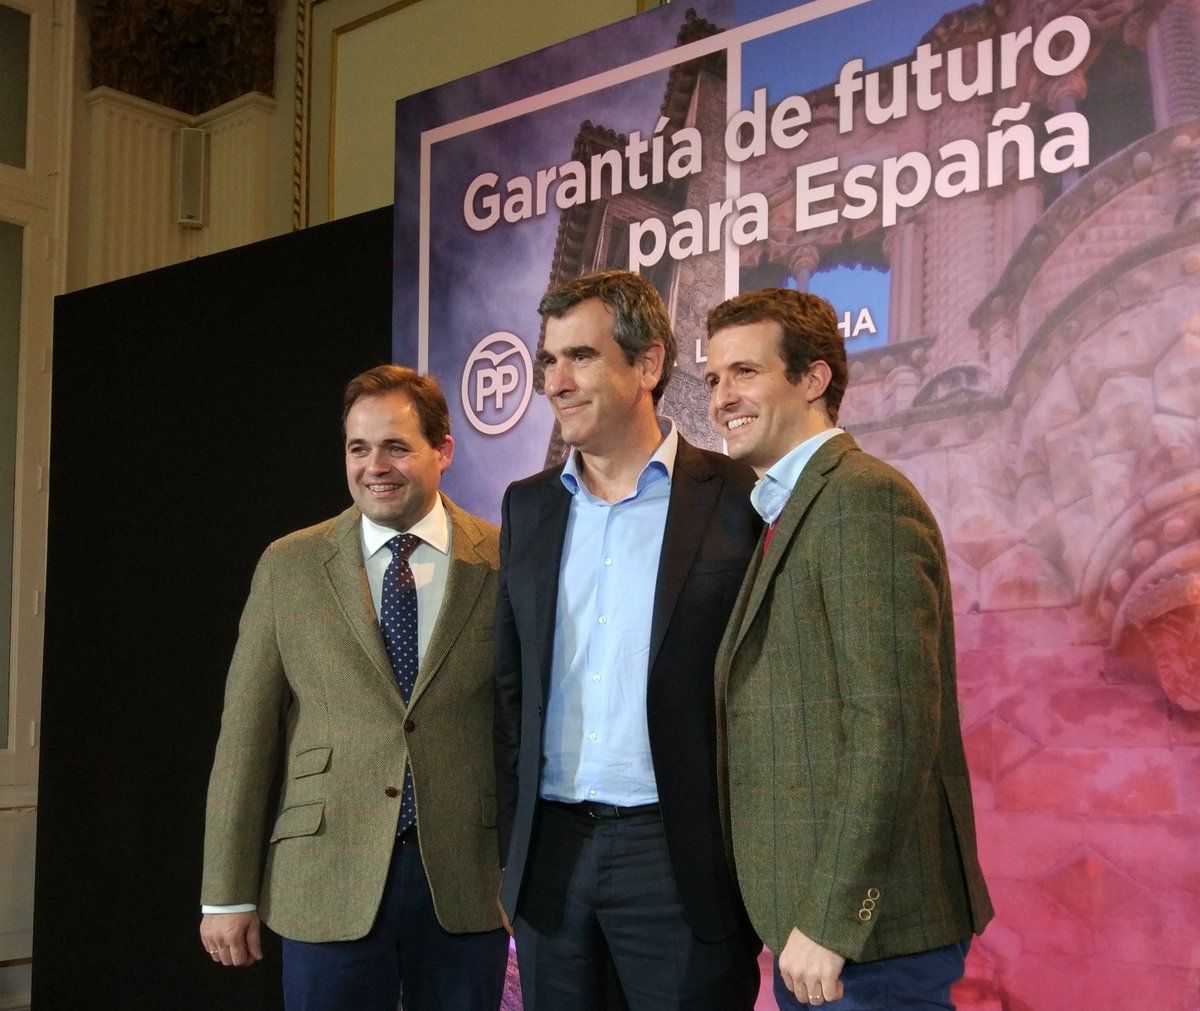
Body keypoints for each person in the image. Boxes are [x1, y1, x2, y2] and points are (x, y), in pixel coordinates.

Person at [704, 288, 994, 1010]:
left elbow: (890, 728)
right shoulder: (790, 509)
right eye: (712, 379)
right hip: (826, 936)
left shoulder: (862, 499)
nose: (721, 397)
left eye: (744, 372)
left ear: (813, 379)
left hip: (871, 940)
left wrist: (835, 917)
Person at [199, 365, 509, 1009]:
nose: (375, 466)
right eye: (358, 448)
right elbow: (245, 736)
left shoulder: (505, 559)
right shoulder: (290, 564)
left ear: (442, 450)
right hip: (324, 874)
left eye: (396, 446)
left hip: (469, 878)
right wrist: (226, 892)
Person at [493, 270, 762, 1009]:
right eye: (548, 361)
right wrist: (509, 857)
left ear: (647, 365)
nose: (555, 381)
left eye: (579, 356)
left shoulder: (740, 499)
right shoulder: (528, 508)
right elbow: (511, 690)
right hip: (551, 860)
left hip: (679, 859)